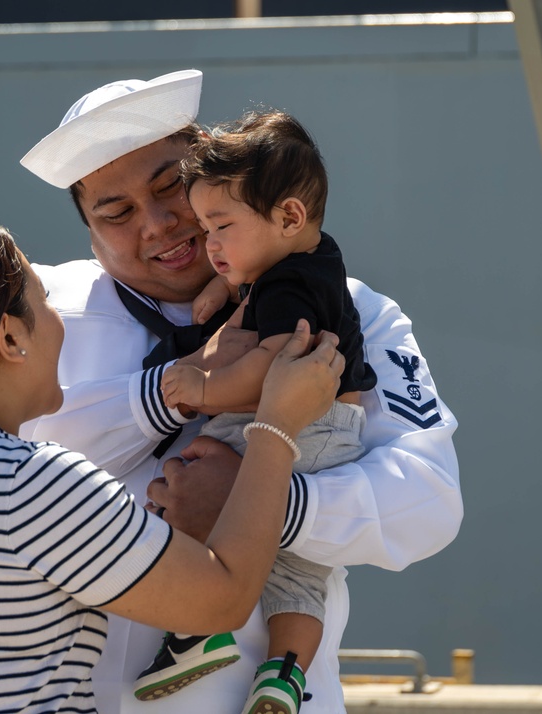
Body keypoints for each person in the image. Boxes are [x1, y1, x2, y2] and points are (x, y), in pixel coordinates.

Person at [19, 69, 462, 714]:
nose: (160, 223)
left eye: (172, 187)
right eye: (115, 213)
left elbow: (428, 500)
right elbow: (6, 461)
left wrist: (271, 504)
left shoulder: (348, 309)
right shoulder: (37, 310)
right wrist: (169, 391)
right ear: (88, 228)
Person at [0, 213, 344, 714]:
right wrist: (276, 425)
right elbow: (223, 599)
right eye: (44, 301)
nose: (60, 321)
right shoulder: (32, 485)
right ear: (10, 337)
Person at [151, 108, 378, 713]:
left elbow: (273, 362)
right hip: (337, 438)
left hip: (300, 426)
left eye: (220, 226)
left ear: (289, 215)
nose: (208, 244)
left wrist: (198, 391)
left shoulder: (289, 288)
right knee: (301, 578)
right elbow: (257, 285)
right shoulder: (309, 261)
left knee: (194, 492)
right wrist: (224, 285)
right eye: (204, 228)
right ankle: (283, 673)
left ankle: (199, 628)